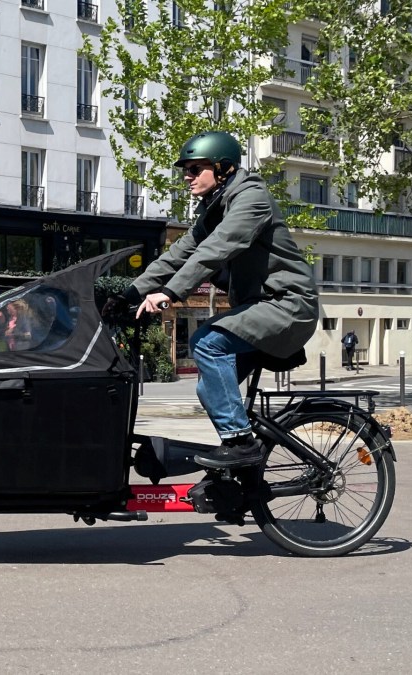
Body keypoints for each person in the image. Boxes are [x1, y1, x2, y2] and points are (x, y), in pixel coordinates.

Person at [115, 131, 319, 469]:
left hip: (287, 306)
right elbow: (177, 255)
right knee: (209, 390)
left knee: (206, 343)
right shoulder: (214, 210)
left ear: (222, 169)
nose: (187, 176)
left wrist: (168, 293)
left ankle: (240, 442)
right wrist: (130, 292)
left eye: (195, 169)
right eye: (185, 170)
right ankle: (240, 463)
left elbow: (216, 250)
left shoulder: (251, 200)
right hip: (260, 309)